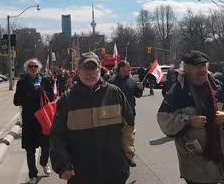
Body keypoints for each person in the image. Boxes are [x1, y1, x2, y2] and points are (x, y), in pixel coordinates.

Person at [157, 50, 224, 184]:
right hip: (194, 163)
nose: (202, 70)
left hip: (219, 158)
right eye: (197, 66)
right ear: (186, 69)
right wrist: (188, 121)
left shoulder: (217, 86)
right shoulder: (179, 90)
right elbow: (163, 119)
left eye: (203, 65)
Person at [50, 52, 135, 184]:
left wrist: (127, 156)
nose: (89, 73)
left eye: (93, 68)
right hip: (80, 173)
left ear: (99, 69)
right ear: (78, 72)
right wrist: (63, 165)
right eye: (85, 68)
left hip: (114, 171)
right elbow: (57, 136)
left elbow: (128, 127)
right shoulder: (67, 100)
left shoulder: (115, 93)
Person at [13, 58, 55, 184]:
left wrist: (43, 92)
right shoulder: (22, 83)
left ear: (39, 68)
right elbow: (16, 101)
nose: (33, 68)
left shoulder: (45, 80)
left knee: (46, 146)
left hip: (43, 119)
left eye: (35, 66)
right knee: (30, 150)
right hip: (29, 120)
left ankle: (43, 162)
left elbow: (52, 97)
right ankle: (33, 174)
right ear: (27, 68)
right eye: (30, 66)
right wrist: (30, 94)